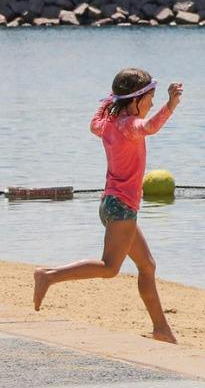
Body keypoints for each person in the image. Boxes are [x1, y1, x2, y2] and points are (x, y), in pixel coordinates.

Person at [33, 70, 183, 343]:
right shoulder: (129, 125)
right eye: (150, 98)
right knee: (110, 267)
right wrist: (171, 105)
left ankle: (161, 330)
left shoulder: (107, 124)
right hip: (122, 207)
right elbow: (149, 127)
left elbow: (94, 122)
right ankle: (48, 276)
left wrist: (107, 102)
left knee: (147, 266)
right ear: (136, 100)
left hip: (112, 205)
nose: (152, 103)